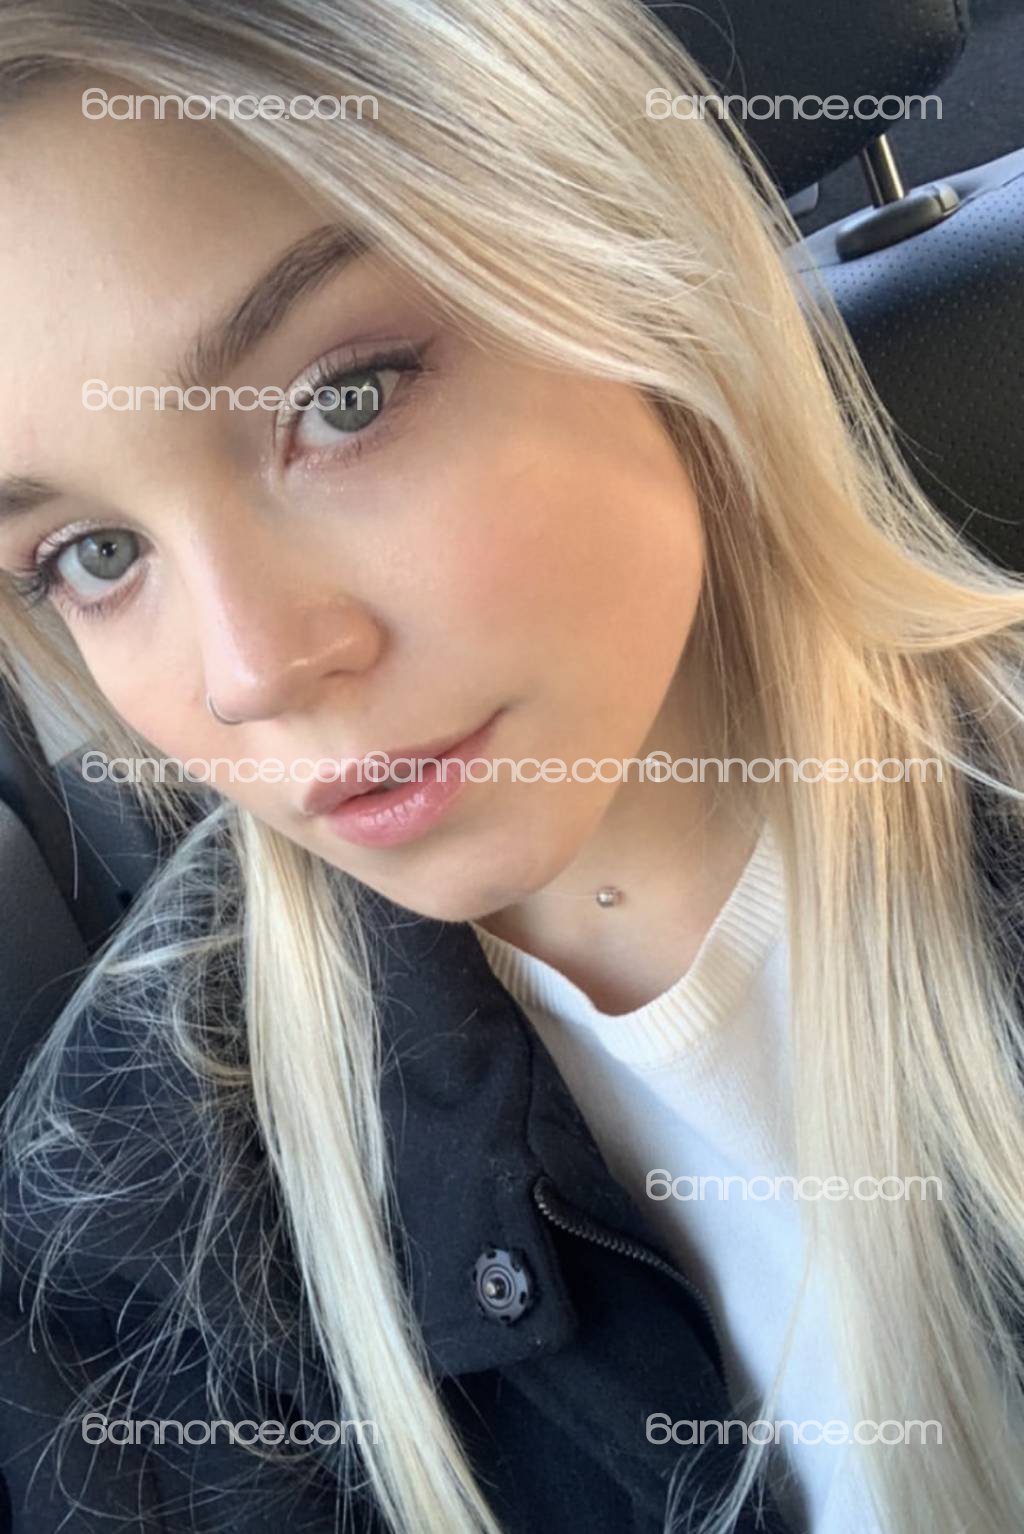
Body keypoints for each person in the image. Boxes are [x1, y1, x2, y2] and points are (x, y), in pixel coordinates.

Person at [0, 2, 1022, 1531]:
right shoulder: (135, 1194)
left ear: (642, 269)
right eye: (92, 554)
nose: (249, 670)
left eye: (344, 398)